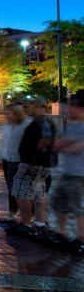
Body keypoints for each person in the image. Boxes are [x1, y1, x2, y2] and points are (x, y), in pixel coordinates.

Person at [8, 98, 59, 237]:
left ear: (37, 107)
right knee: (39, 194)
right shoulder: (44, 122)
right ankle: (39, 224)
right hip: (41, 164)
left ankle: (26, 225)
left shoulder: (41, 123)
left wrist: (32, 161)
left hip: (34, 164)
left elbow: (45, 142)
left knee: (21, 193)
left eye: (28, 106)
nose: (26, 109)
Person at [52, 97, 84, 253]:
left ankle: (81, 239)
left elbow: (70, 147)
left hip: (79, 173)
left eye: (72, 107)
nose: (68, 110)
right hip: (69, 171)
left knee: (77, 207)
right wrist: (66, 143)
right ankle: (62, 233)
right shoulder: (74, 125)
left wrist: (66, 143)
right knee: (59, 203)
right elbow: (60, 144)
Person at [0, 104, 30, 223]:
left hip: (20, 160)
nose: (5, 116)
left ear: (16, 113)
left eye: (8, 113)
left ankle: (27, 216)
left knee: (22, 189)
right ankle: (12, 213)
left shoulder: (27, 125)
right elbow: (2, 143)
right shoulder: (6, 126)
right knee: (11, 188)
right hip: (7, 159)